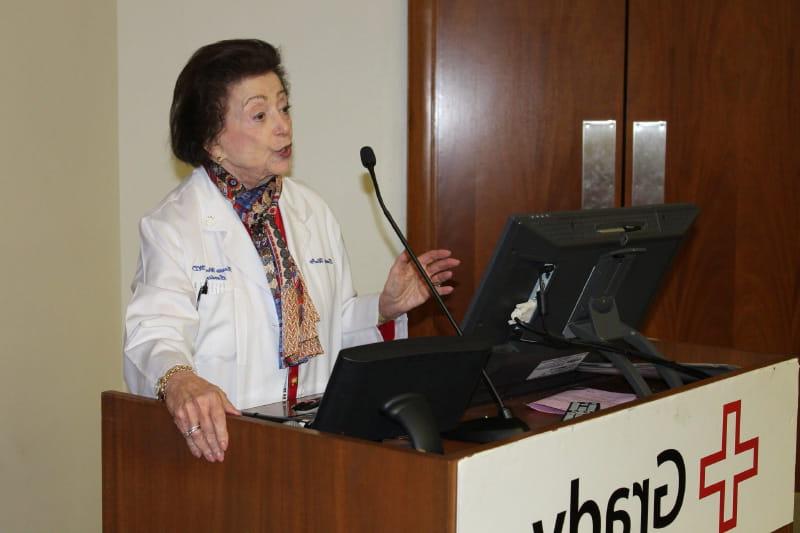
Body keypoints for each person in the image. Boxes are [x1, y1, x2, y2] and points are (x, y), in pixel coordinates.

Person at [123, 39, 459, 463]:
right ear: (212, 141)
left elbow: (331, 328)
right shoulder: (173, 226)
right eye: (260, 115)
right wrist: (180, 379)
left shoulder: (311, 211)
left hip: (313, 444)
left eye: (284, 108)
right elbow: (153, 334)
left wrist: (383, 310)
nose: (283, 126)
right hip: (223, 450)